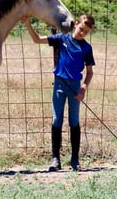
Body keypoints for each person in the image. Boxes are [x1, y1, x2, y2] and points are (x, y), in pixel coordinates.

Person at [22, 13, 95, 172]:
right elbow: (37, 40)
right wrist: (28, 24)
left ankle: (74, 159)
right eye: (81, 29)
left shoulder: (87, 48)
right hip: (59, 85)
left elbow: (89, 72)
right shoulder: (62, 39)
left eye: (86, 32)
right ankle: (55, 159)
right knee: (56, 120)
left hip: (75, 88)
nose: (82, 33)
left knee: (74, 121)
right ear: (76, 24)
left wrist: (83, 88)